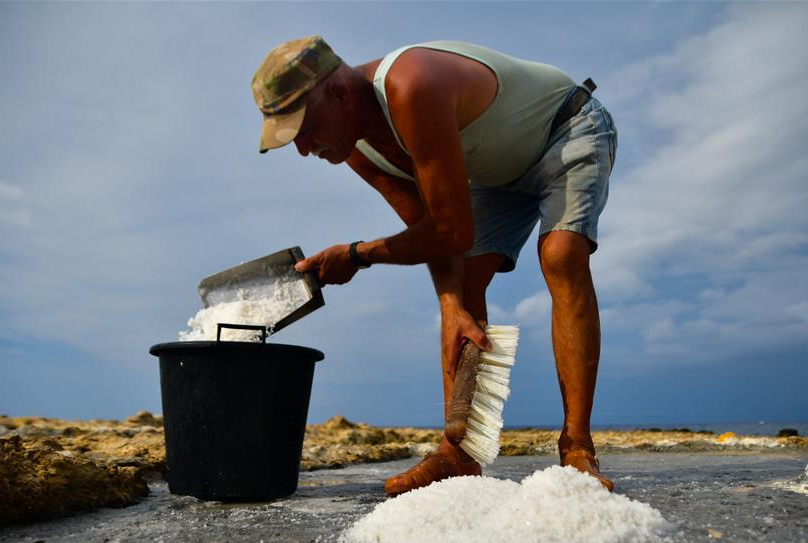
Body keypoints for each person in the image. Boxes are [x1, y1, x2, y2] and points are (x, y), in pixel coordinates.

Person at [252, 36, 618, 494]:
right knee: (464, 290)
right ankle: (461, 453)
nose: (303, 149)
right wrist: (451, 306)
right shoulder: (357, 150)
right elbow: (432, 230)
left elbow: (450, 233)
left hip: (567, 128)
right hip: (495, 174)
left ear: (340, 94)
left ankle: (577, 447)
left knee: (562, 256)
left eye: (302, 129)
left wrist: (356, 255)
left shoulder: (411, 85)